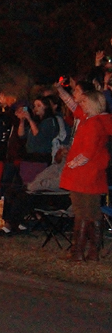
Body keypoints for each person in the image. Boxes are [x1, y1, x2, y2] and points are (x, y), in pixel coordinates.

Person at [59, 90, 112, 262]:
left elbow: (88, 151)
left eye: (84, 102)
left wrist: (73, 163)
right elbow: (72, 105)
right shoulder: (98, 120)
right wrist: (61, 91)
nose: (80, 104)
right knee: (92, 213)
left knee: (82, 212)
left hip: (83, 174)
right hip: (93, 174)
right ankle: (92, 251)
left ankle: (78, 251)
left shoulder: (93, 123)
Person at [15, 96, 58, 164]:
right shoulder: (36, 122)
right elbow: (21, 134)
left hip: (41, 157)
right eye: (35, 106)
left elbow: (38, 136)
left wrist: (29, 119)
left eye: (39, 106)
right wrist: (22, 120)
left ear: (46, 107)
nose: (36, 108)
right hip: (30, 156)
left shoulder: (50, 121)